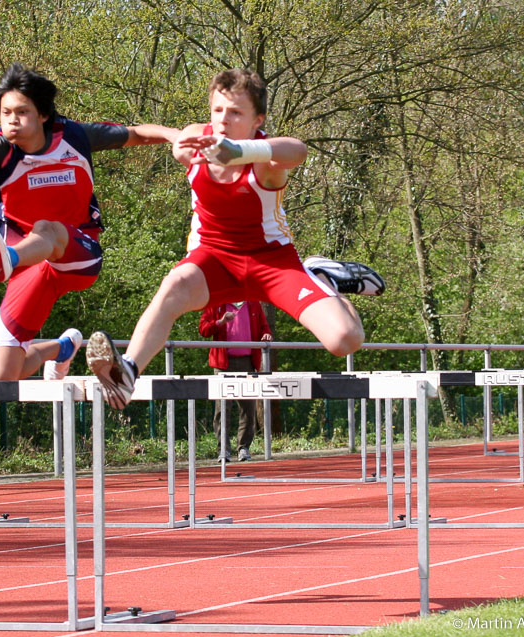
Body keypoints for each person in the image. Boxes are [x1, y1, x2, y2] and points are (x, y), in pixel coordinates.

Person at [86, 68, 384, 409]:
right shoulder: (196, 143)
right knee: (174, 283)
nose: (223, 120)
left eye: (236, 112)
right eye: (217, 110)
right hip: (214, 259)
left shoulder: (266, 161)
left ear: (258, 120)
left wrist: (240, 151)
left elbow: (297, 150)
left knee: (345, 340)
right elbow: (161, 133)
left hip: (272, 263)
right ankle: (128, 373)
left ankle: (322, 277)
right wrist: (166, 136)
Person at [0, 63, 178, 381]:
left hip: (78, 252)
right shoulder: (0, 151)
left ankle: (9, 257)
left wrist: (176, 135)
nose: (12, 121)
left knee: (47, 228)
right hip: (33, 269)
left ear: (43, 115)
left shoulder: (74, 137)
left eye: (21, 112)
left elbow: (137, 134)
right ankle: (60, 348)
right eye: (5, 113)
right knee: (2, 375)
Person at [199, 301, 272, 462]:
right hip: (223, 364)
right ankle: (223, 450)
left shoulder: (253, 304)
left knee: (248, 407)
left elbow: (264, 328)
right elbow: (203, 330)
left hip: (248, 362)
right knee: (222, 408)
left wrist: (266, 335)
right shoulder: (216, 303)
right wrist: (221, 322)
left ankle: (243, 448)